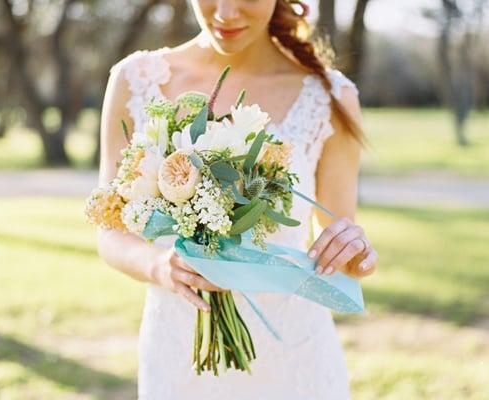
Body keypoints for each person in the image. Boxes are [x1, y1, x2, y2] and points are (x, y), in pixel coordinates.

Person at [96, 0, 379, 398]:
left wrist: (354, 251)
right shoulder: (135, 79)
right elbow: (110, 230)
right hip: (179, 351)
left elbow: (338, 243)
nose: (226, 13)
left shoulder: (331, 97)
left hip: (295, 357)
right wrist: (161, 265)